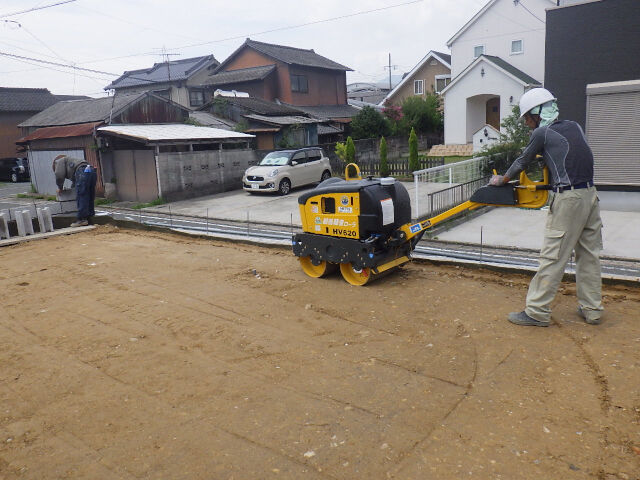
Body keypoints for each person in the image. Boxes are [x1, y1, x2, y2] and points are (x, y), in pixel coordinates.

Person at [489, 88, 603, 327]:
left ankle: (537, 311)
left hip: (569, 199)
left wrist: (502, 179)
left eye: (528, 118)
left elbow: (522, 160)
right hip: (591, 195)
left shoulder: (542, 132)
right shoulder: (574, 126)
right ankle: (592, 309)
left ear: (537, 113)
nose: (527, 124)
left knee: (553, 255)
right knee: (589, 255)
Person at [53, 154, 97, 227]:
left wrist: (60, 188)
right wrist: (72, 190)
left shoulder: (59, 161)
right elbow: (76, 182)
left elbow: (59, 175)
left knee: (82, 195)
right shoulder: (73, 161)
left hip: (82, 171)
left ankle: (82, 219)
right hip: (91, 170)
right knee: (89, 194)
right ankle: (90, 217)